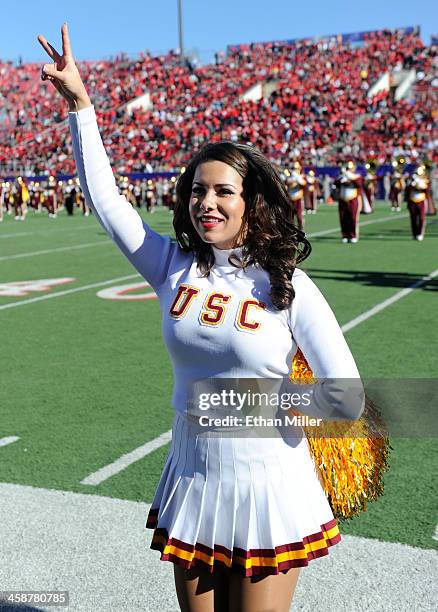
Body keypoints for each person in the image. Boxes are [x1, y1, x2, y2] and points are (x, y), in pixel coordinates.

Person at [39, 24, 363, 612]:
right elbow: (108, 204)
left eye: (223, 192)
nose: (205, 203)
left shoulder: (289, 286)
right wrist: (82, 107)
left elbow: (347, 399)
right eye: (197, 191)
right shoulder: (173, 268)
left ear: (252, 201)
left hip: (268, 484)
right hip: (193, 476)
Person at [334, 160, 362, 243]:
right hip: (342, 199)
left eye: (350, 168)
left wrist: (347, 175)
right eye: (347, 168)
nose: (348, 169)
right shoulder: (342, 176)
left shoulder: (357, 176)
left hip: (353, 199)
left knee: (353, 218)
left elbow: (358, 184)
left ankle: (353, 235)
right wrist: (341, 177)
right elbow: (336, 183)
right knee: (343, 218)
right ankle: (345, 235)